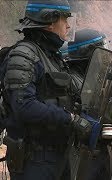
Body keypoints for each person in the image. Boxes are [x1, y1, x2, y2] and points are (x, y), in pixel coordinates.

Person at [0, 1, 93, 179]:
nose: (67, 25)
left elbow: (65, 98)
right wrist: (70, 119)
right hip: (34, 160)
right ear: (49, 20)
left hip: (57, 155)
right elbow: (24, 106)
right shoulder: (24, 55)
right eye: (64, 19)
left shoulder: (52, 56)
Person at [65, 28, 110, 180]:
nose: (105, 57)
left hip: (97, 147)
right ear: (87, 53)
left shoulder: (94, 78)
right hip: (80, 150)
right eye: (101, 52)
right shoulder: (71, 79)